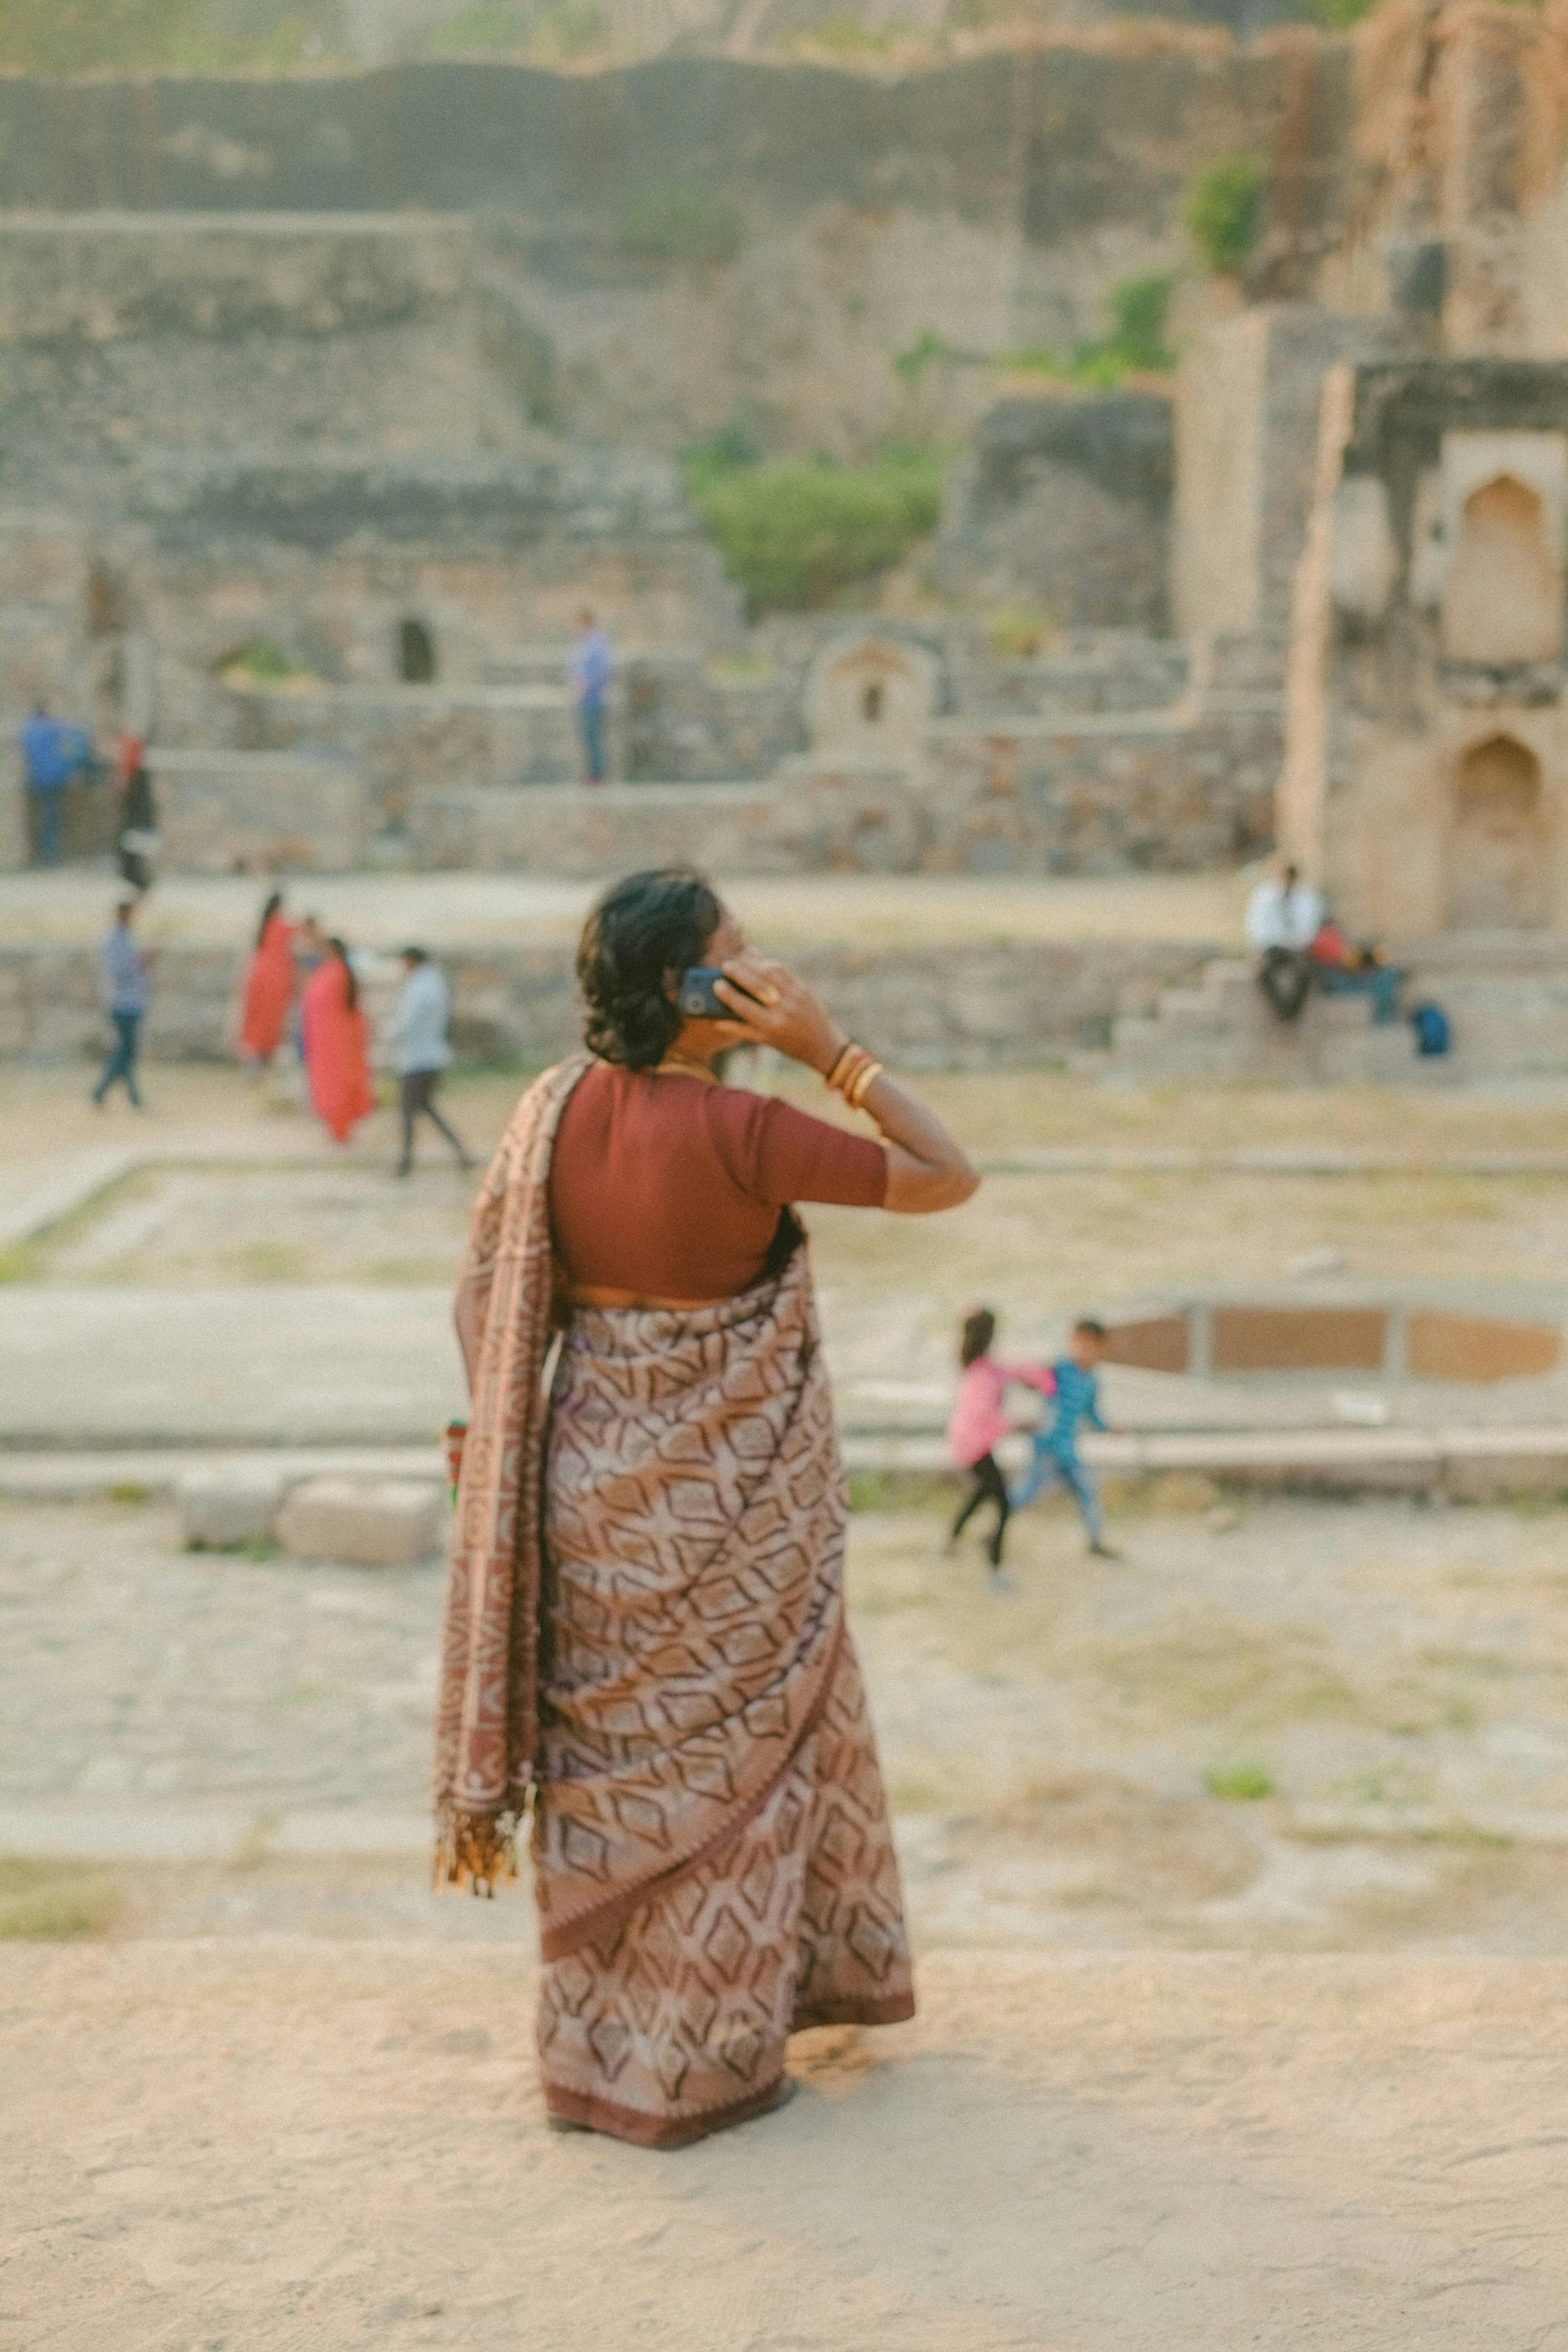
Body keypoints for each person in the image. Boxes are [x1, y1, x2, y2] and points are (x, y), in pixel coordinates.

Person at [433, 866, 978, 2148]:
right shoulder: (751, 1136)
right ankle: (708, 2067)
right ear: (690, 991)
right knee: (734, 1783)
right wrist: (829, 1048)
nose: (762, 974)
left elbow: (478, 1298)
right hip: (725, 1518)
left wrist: (514, 1441)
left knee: (605, 1783)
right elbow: (948, 1173)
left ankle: (596, 2063)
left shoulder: (546, 1111)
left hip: (578, 1494)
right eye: (739, 960)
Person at [945, 1308, 1054, 1580]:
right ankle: (995, 1569)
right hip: (974, 1448)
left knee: (982, 1494)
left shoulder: (981, 1367)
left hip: (968, 1445)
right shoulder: (983, 1375)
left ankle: (950, 1542)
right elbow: (983, 1413)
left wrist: (1040, 1378)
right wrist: (1018, 1424)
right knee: (1003, 1504)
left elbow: (1010, 1371)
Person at [1010, 1318, 1119, 1559]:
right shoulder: (1059, 1370)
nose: (1085, 1351)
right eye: (1081, 1344)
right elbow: (1034, 1380)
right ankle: (996, 1526)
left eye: (1092, 1347)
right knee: (1027, 1492)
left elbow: (1091, 1413)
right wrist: (1023, 1378)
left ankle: (1095, 1542)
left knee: (1088, 1490)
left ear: (1101, 1349)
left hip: (1068, 1450)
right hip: (1047, 1446)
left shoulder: (1091, 1381)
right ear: (1072, 1343)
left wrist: (1109, 1428)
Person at [391, 946, 473, 1176]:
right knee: (427, 1107)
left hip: (417, 1058)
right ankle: (461, 1152)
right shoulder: (436, 982)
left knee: (409, 1112)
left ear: (411, 961)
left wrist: (388, 1033)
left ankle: (405, 1162)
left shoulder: (419, 986)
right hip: (433, 1055)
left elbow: (408, 1021)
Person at [299, 935, 374, 1143]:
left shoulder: (333, 973)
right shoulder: (343, 973)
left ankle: (340, 1131)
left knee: (334, 1086)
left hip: (332, 1041)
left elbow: (312, 1000)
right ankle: (341, 1130)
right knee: (341, 1083)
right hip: (341, 1041)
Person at [1245, 860, 1324, 1022]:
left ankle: (1291, 1014)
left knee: (1305, 973)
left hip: (1297, 948)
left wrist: (1297, 944)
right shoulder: (1264, 896)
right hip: (1272, 947)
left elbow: (1309, 928)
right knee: (1264, 973)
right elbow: (1257, 926)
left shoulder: (1307, 898)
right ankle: (1283, 1013)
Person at [92, 899, 151, 1109]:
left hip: (133, 1002)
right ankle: (108, 1093)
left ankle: (123, 1096)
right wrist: (140, 962)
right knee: (124, 1052)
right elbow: (118, 972)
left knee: (127, 1052)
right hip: (121, 1003)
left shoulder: (128, 938)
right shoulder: (112, 941)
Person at [20, 704, 93, 868]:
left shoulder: (28, 730)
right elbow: (78, 736)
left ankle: (45, 854)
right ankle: (49, 855)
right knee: (51, 818)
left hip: (37, 780)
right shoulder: (50, 729)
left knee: (45, 816)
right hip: (53, 779)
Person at [1309, 912, 1404, 1025]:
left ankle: (1384, 1019)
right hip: (1337, 980)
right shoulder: (1327, 941)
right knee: (1386, 979)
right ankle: (1383, 1020)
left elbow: (1351, 962)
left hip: (1344, 975)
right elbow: (1345, 963)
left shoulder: (1330, 938)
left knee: (1387, 978)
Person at [238, 891, 297, 1068]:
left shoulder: (265, 925)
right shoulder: (279, 925)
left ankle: (254, 1056)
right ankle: (258, 1056)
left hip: (259, 973)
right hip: (274, 976)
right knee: (268, 1019)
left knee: (257, 1017)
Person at [569, 608, 612, 784]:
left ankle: (597, 774)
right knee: (588, 737)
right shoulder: (585, 643)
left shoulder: (596, 643)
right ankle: (592, 772)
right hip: (584, 697)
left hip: (593, 697)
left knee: (594, 736)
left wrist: (587, 685)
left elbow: (602, 670)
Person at [113, 732, 158, 893]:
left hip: (138, 827)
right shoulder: (131, 774)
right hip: (134, 826)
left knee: (134, 869)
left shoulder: (138, 776)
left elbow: (142, 806)